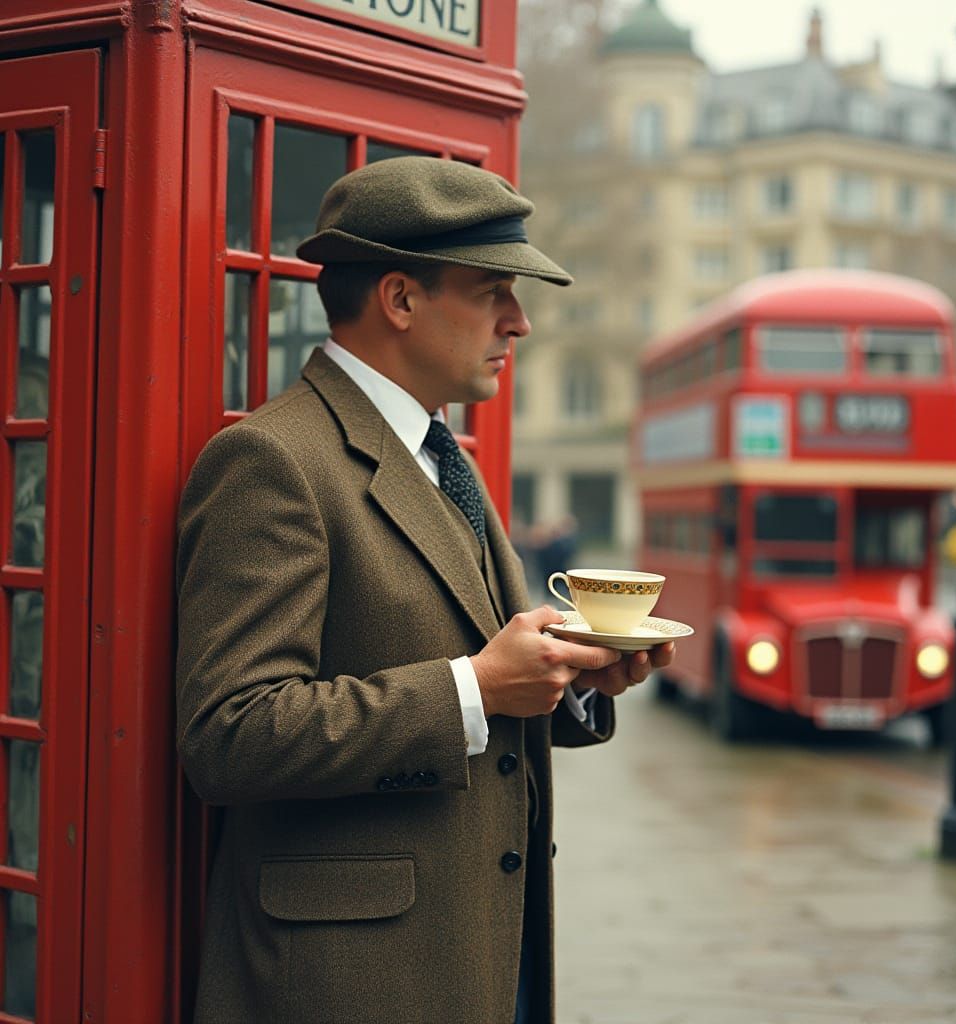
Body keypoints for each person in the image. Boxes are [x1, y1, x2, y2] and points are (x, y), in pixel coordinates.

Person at [175, 157, 674, 1024]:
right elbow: (230, 735)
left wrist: (572, 678)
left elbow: (466, 658)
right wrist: (474, 688)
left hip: (487, 950)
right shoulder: (274, 461)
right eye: (493, 292)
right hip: (349, 984)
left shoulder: (446, 456)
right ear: (400, 301)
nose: (519, 323)